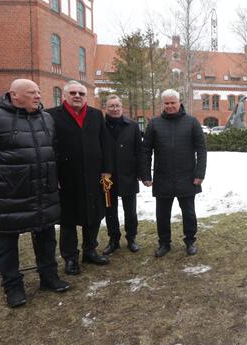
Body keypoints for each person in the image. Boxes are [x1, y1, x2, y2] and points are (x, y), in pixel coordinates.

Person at [0, 79, 69, 308]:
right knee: (6, 243)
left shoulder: (46, 118)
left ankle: (49, 277)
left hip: (42, 190)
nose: (38, 96)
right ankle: (13, 287)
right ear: (14, 95)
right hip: (7, 192)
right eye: (32, 93)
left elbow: (53, 151)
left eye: (39, 92)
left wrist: (56, 177)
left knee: (46, 236)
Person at [48, 81, 113, 274]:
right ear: (65, 95)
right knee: (68, 219)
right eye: (73, 93)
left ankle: (90, 250)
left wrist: (107, 170)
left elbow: (105, 143)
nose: (77, 96)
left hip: (93, 174)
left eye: (81, 93)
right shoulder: (52, 116)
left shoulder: (95, 114)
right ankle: (70, 257)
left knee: (92, 215)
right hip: (66, 176)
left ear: (86, 96)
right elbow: (49, 146)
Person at [141, 89, 206, 258]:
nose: (169, 106)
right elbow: (146, 151)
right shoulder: (154, 124)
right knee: (162, 214)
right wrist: (146, 175)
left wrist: (200, 173)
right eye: (166, 103)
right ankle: (164, 243)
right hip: (163, 177)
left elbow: (201, 150)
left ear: (179, 102)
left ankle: (190, 241)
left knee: (189, 213)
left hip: (188, 177)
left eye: (172, 103)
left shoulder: (192, 122)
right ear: (163, 104)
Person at [102, 95, 142, 255]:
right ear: (106, 108)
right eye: (111, 106)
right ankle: (114, 240)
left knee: (130, 211)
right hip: (107, 177)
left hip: (128, 175)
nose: (115, 108)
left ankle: (131, 238)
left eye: (117, 105)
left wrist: (141, 172)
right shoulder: (99, 125)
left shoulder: (132, 126)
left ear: (122, 107)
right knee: (110, 210)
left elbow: (139, 151)